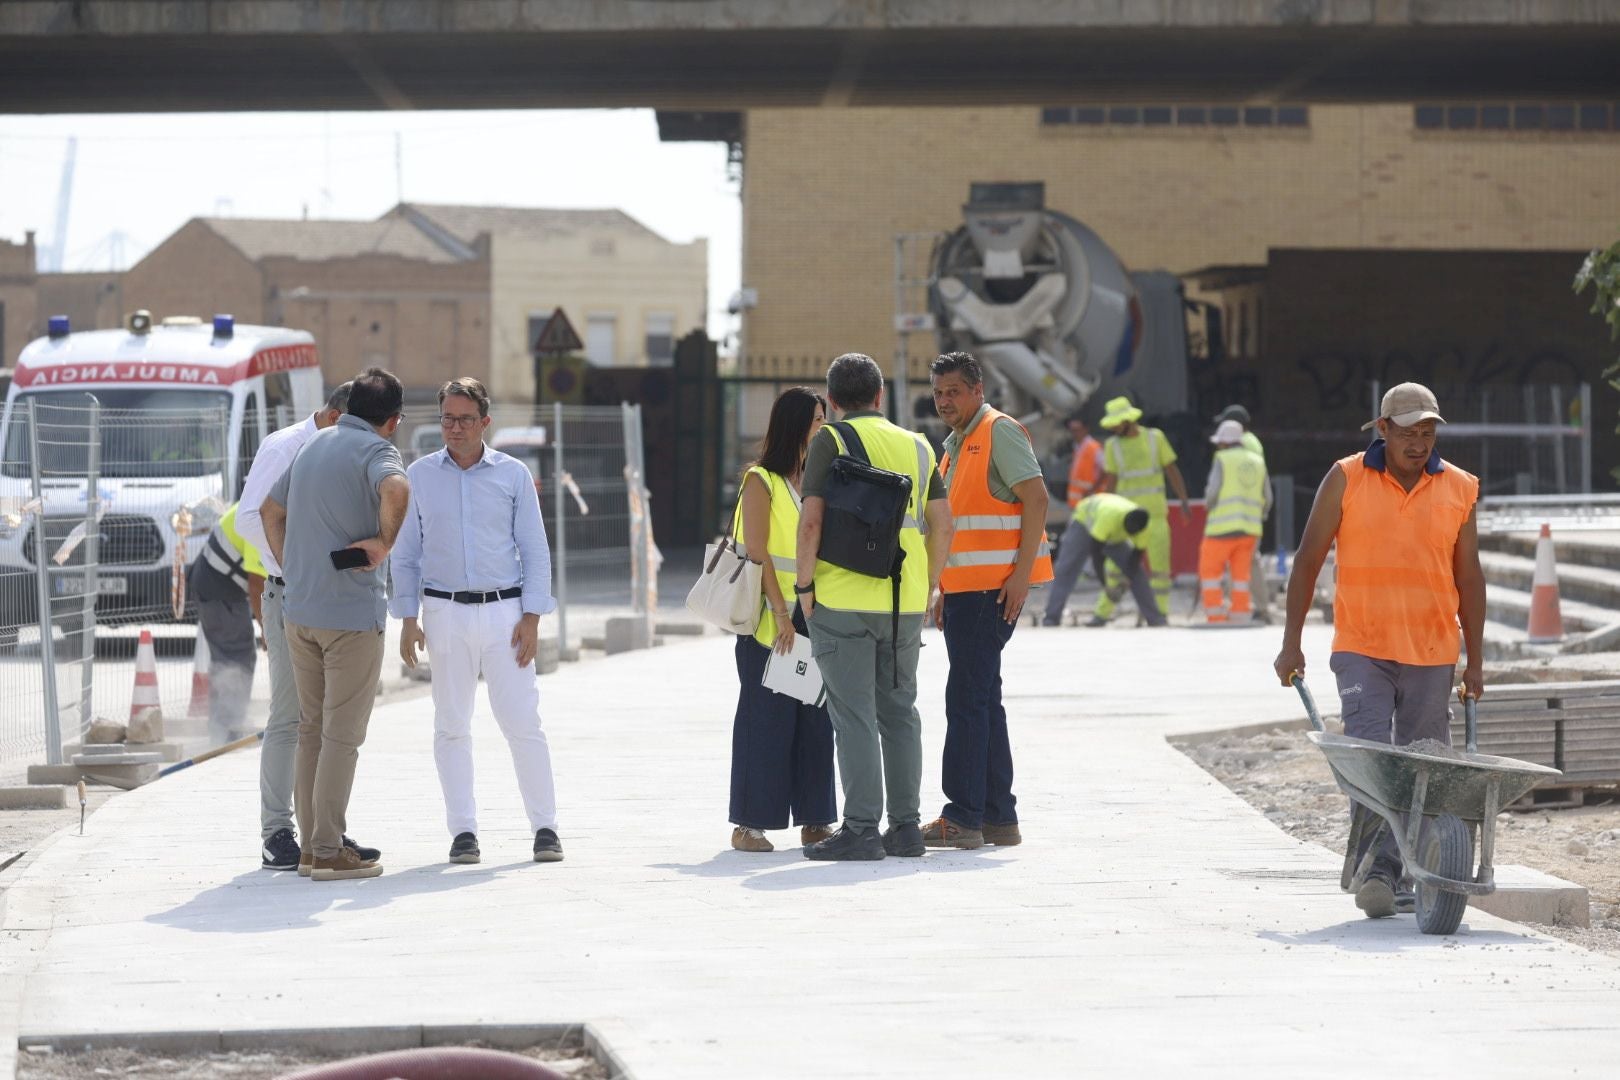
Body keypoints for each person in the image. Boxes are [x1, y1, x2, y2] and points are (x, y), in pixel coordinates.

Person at [1273, 382, 1484, 919]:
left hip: (1433, 649)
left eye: (1428, 431)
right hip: (1362, 646)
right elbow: (1307, 559)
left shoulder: (1460, 487)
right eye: (1408, 431)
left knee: (1419, 768)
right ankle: (1381, 866)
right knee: (1370, 759)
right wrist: (1291, 642)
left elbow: (1470, 578)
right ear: (1382, 429)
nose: (1419, 441)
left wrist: (1476, 661)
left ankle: (1389, 867)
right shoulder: (1346, 478)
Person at [392, 377, 565, 866]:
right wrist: (407, 617)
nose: (455, 428)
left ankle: (545, 827)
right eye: (448, 418)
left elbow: (534, 549)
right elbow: (404, 555)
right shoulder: (420, 476)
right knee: (451, 724)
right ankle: (463, 832)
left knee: (522, 721)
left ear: (485, 422)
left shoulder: (511, 475)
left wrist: (532, 616)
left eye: (466, 419)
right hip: (443, 611)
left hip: (505, 613)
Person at [795, 352, 953, 861]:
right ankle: (906, 828)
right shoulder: (921, 446)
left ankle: (861, 827)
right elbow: (943, 524)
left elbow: (811, 522)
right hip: (903, 601)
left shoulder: (830, 440)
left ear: (834, 400)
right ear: (881, 397)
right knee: (900, 712)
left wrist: (803, 589)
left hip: (841, 598)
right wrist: (929, 586)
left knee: (854, 714)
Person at [260, 367, 410, 882]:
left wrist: (294, 569)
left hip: (300, 612)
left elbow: (269, 511)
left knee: (311, 733)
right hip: (349, 616)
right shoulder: (378, 452)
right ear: (393, 420)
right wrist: (384, 545)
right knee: (341, 737)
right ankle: (326, 850)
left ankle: (310, 848)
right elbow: (396, 492)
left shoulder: (312, 446)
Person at [926, 352, 1052, 849]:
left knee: (967, 701)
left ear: (977, 390)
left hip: (991, 591)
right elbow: (955, 526)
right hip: (966, 592)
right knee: (982, 699)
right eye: (938, 392)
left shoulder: (998, 431)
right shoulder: (956, 445)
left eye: (954, 391)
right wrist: (942, 586)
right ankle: (999, 817)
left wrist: (1021, 577)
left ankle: (962, 817)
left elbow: (1037, 498)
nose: (944, 401)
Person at [236, 382, 356, 872]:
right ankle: (276, 832)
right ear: (331, 417)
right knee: (289, 716)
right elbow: (248, 519)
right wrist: (294, 566)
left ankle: (322, 833)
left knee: (329, 722)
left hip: (330, 598)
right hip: (290, 594)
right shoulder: (285, 447)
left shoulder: (340, 451)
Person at [725, 387, 838, 853]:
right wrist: (780, 614)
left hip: (811, 615)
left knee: (814, 720)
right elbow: (758, 553)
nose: (822, 427)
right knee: (764, 721)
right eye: (815, 418)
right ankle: (748, 825)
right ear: (795, 423)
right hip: (770, 623)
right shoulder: (761, 481)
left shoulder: (815, 480)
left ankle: (815, 820)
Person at [1097, 395, 1190, 623]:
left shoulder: (1155, 438)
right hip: (1124, 520)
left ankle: (1159, 615)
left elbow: (1172, 470)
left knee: (1160, 569)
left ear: (1128, 420)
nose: (1113, 427)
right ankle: (1102, 614)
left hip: (1155, 515)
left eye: (1116, 423)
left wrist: (1184, 500)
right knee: (1114, 568)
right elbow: (1111, 481)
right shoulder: (1112, 446)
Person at [184, 501, 266, 746]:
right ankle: (226, 733)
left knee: (230, 656)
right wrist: (268, 630)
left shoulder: (259, 500)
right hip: (219, 589)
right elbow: (257, 583)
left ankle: (225, 729)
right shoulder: (259, 519)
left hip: (214, 582)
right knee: (235, 655)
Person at [1041, 493, 1162, 628]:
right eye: (1129, 531)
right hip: (1084, 524)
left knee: (1138, 574)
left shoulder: (1143, 526)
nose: (1132, 535)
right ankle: (1051, 618)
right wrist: (1106, 586)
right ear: (1125, 523)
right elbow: (1097, 556)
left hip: (1114, 535)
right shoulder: (1108, 518)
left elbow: (1135, 557)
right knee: (1067, 569)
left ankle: (1155, 619)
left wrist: (1125, 581)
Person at [1199, 419, 1271, 625]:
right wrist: (1258, 517)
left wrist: (1208, 506)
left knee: (1210, 573)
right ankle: (1240, 614)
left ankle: (1215, 615)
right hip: (1250, 531)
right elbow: (1268, 497)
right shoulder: (1258, 461)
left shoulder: (1222, 458)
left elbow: (1212, 492)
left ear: (1224, 442)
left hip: (1220, 529)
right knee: (1241, 575)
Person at [1064, 413, 1106, 509]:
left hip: (1091, 500)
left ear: (1085, 429)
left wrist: (1091, 490)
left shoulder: (1093, 447)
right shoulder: (1078, 447)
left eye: (1077, 430)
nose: (1074, 434)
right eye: (1072, 431)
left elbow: (1105, 470)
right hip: (1079, 502)